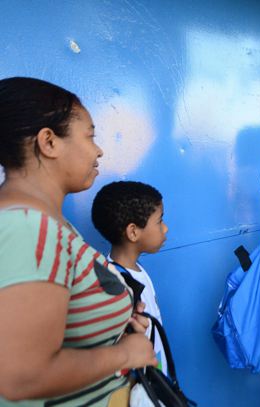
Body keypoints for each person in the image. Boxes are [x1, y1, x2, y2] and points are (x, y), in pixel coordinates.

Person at [0, 77, 156, 405]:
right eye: (90, 135)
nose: (98, 149)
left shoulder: (47, 224)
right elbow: (22, 375)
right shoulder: (30, 228)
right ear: (49, 142)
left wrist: (115, 320)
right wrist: (126, 354)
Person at [91, 181, 169, 375]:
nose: (165, 228)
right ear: (133, 232)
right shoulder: (119, 285)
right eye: (160, 221)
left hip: (157, 373)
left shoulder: (136, 270)